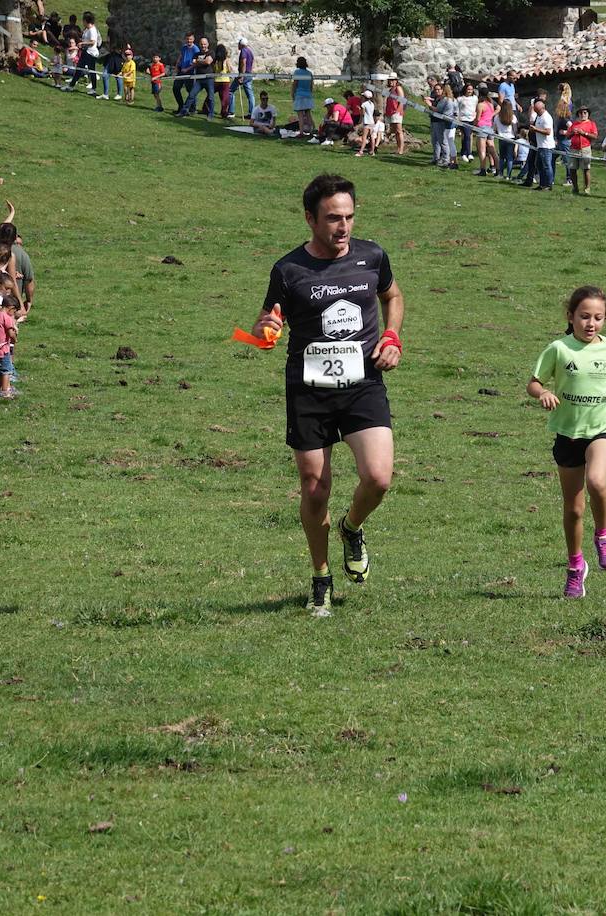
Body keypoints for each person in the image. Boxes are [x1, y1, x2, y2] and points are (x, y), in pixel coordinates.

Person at [249, 175, 405, 617]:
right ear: (310, 219)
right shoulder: (288, 269)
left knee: (378, 477)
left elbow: (392, 295)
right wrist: (267, 330)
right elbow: (266, 321)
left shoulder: (372, 256)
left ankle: (351, 528)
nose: (343, 227)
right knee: (315, 489)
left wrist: (392, 336)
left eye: (349, 217)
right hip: (308, 390)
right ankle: (320, 578)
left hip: (363, 384)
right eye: (333, 218)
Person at [527, 285, 606, 599]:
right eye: (585, 316)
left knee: (597, 481)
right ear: (571, 316)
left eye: (598, 318)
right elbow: (533, 383)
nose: (591, 324)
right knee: (574, 510)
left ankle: (603, 536)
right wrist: (543, 393)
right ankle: (575, 567)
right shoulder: (559, 349)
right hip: (568, 432)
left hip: (603, 427)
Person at [0, 292, 19, 398]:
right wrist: (15, 339)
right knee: (7, 371)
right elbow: (10, 333)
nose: (13, 314)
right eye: (14, 311)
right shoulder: (6, 317)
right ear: (11, 308)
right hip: (3, 349)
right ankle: (5, 391)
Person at [529, 98, 555, 191]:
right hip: (540, 145)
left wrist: (535, 129)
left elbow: (548, 131)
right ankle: (542, 184)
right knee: (539, 165)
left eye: (537, 110)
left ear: (542, 108)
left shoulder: (546, 117)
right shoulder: (539, 116)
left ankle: (548, 185)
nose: (536, 112)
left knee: (547, 166)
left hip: (546, 146)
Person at [172, 33, 199, 115]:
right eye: (187, 39)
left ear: (193, 39)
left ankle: (192, 108)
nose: (189, 41)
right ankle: (181, 106)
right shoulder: (184, 47)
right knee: (176, 88)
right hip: (181, 70)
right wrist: (176, 66)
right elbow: (180, 56)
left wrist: (187, 69)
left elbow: (196, 62)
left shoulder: (196, 49)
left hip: (190, 71)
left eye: (190, 39)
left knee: (190, 91)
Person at [231, 38, 255, 119]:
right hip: (249, 74)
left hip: (244, 74)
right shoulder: (250, 51)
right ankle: (252, 113)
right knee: (250, 95)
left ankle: (231, 111)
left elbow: (244, 62)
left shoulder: (244, 51)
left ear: (241, 44)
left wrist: (241, 76)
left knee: (230, 91)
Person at [292, 56, 315, 135]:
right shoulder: (309, 73)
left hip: (299, 95)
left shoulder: (297, 72)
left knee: (300, 115)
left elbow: (295, 84)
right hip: (308, 95)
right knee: (308, 114)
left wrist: (293, 94)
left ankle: (301, 132)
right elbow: (311, 85)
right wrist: (310, 93)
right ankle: (312, 130)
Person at [384, 78, 407, 156]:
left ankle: (401, 149)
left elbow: (402, 100)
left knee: (399, 130)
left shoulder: (398, 88)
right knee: (395, 131)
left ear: (396, 81)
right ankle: (398, 148)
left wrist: (398, 110)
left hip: (396, 111)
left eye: (393, 80)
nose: (391, 82)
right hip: (390, 111)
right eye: (390, 80)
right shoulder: (390, 90)